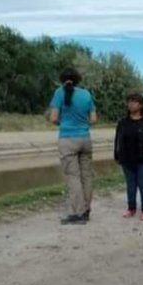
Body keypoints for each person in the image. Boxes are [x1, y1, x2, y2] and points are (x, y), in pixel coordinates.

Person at [48, 68, 98, 225]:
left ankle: (78, 213)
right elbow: (94, 119)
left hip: (68, 139)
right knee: (87, 176)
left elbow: (53, 118)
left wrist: (63, 123)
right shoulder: (86, 94)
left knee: (73, 177)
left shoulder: (59, 93)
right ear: (78, 80)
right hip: (85, 139)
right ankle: (87, 209)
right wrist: (82, 124)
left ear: (62, 79)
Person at [114, 93, 143, 221]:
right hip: (127, 159)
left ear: (140, 105)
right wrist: (117, 155)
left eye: (134, 102)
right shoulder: (123, 122)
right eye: (129, 101)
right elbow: (117, 139)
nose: (130, 104)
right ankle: (131, 208)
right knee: (130, 185)